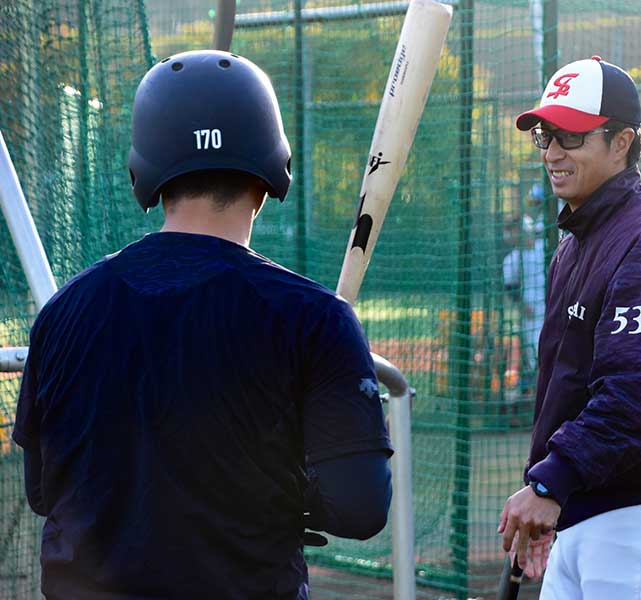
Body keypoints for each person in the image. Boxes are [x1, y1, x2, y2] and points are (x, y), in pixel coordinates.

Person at [13, 50, 392, 600]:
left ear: (147, 173)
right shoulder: (314, 318)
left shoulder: (63, 312)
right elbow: (360, 507)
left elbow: (44, 490)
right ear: (270, 172)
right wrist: (286, 489)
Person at [497, 55, 641, 599]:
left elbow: (638, 399)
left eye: (570, 137)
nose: (551, 152)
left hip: (637, 528)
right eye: (545, 137)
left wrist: (552, 481)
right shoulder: (574, 245)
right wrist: (550, 489)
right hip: (583, 517)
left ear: (621, 142)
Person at [502, 213, 546, 396]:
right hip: (532, 318)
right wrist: (522, 306)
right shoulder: (511, 260)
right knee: (537, 359)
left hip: (554, 312)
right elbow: (510, 289)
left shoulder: (545, 248)